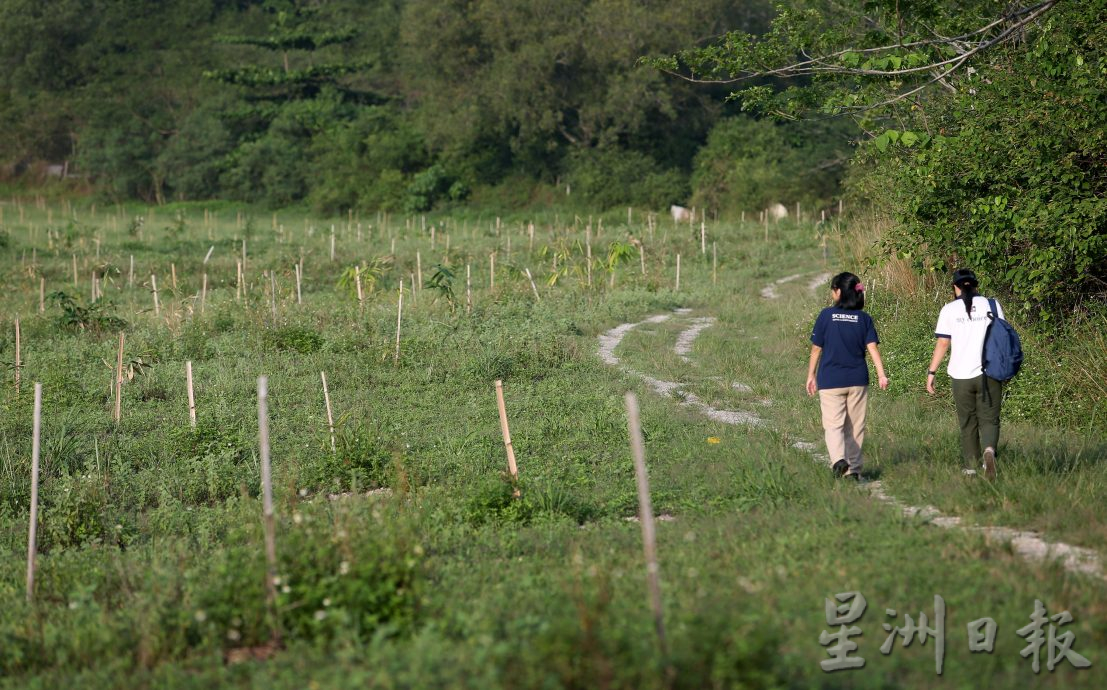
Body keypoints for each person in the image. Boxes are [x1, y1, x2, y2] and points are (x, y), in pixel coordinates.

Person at [806, 272, 889, 480]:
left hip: (831, 380)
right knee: (855, 426)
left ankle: (838, 460)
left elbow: (816, 349)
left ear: (839, 291)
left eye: (833, 289)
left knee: (833, 425)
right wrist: (881, 374)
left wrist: (811, 375)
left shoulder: (826, 315)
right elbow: (873, 349)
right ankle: (853, 471)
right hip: (858, 380)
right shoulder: (864, 318)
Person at [926, 268, 1004, 479]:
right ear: (976, 285)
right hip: (990, 373)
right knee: (990, 420)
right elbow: (1002, 335)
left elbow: (943, 343)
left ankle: (970, 468)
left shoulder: (949, 310)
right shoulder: (993, 305)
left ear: (955, 287)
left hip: (961, 376)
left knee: (968, 422)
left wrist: (932, 372)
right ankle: (989, 451)